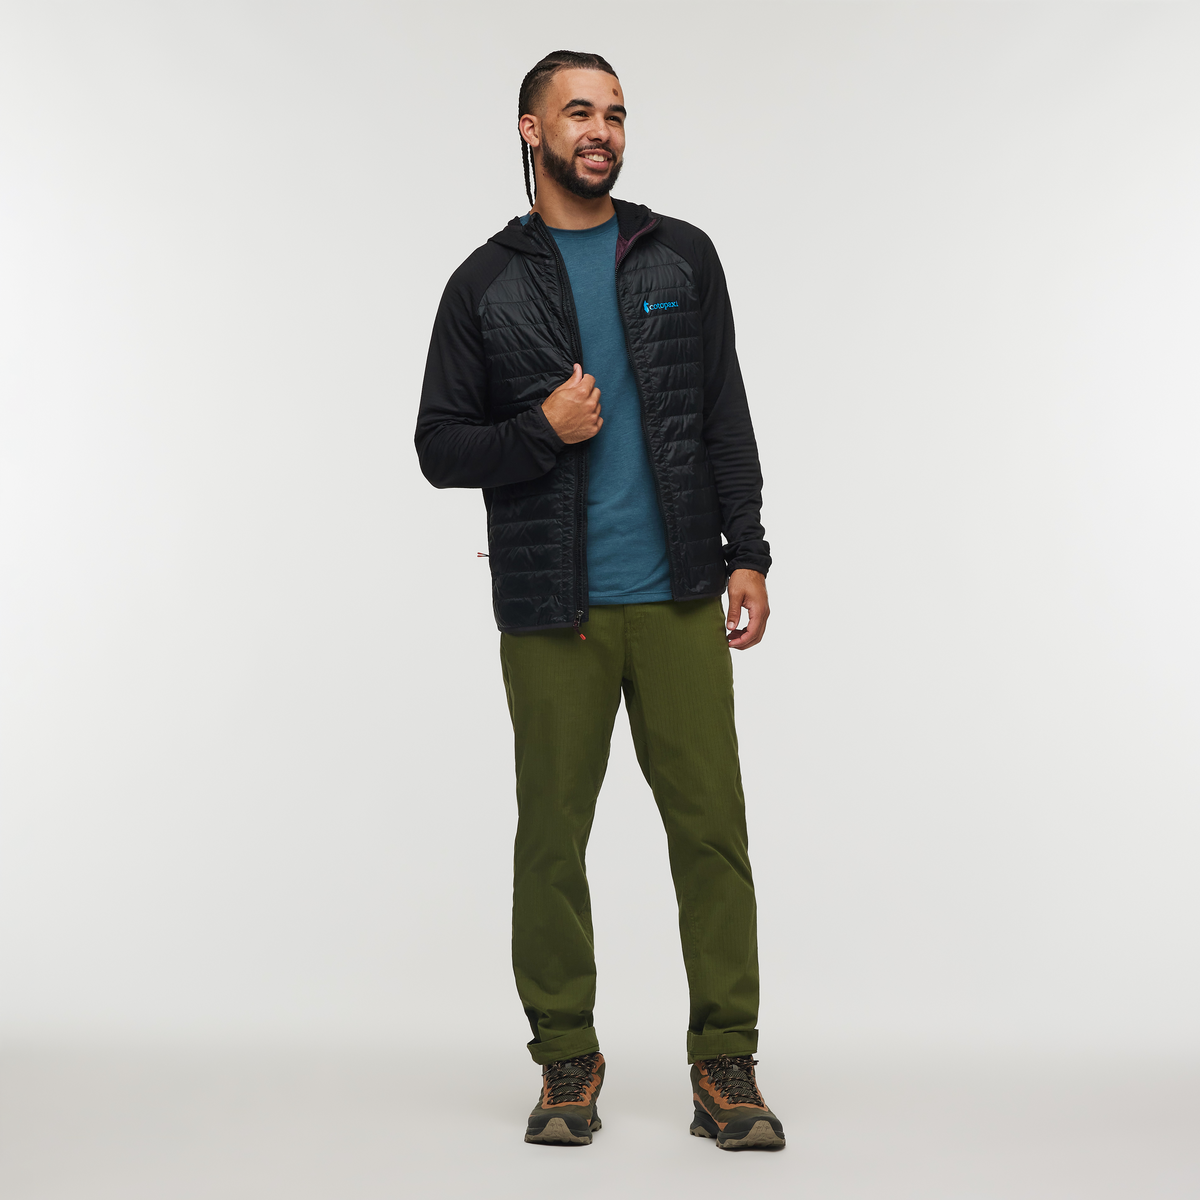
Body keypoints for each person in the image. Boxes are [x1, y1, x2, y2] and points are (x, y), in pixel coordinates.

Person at [415, 50, 783, 1152]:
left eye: (615, 113)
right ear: (531, 130)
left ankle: (726, 1063)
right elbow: (439, 446)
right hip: (553, 611)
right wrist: (541, 430)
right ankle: (565, 1056)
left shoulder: (680, 254)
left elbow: (722, 413)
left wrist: (750, 552)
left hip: (679, 594)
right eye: (578, 112)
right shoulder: (485, 283)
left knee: (712, 834)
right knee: (552, 842)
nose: (602, 131)